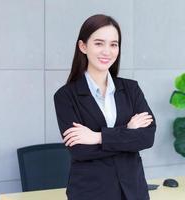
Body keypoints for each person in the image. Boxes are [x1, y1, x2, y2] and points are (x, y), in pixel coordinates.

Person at [53, 14, 156, 200]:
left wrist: (97, 137)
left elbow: (147, 137)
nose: (107, 51)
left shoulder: (131, 89)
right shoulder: (65, 96)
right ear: (83, 46)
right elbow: (81, 150)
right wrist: (128, 131)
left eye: (113, 44)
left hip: (134, 192)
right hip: (91, 193)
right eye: (99, 43)